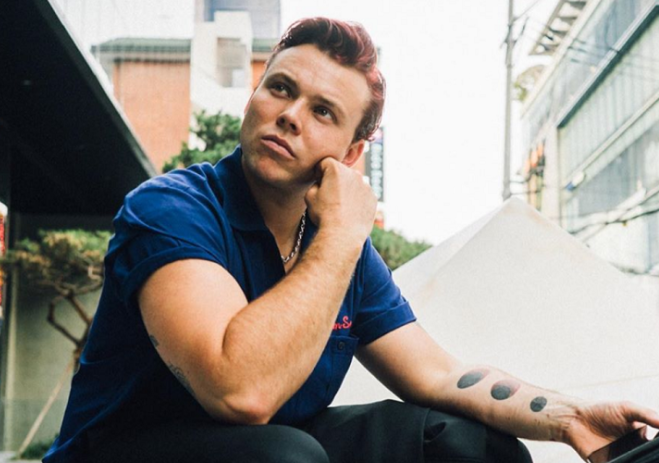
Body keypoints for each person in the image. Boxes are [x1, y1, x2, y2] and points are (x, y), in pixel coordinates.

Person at [43, 17, 659, 463]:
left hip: (276, 448)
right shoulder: (173, 208)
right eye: (280, 88)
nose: (290, 115)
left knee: (461, 442)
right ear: (255, 96)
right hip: (123, 450)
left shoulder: (340, 250)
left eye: (323, 112)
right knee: (285, 455)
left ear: (352, 152)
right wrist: (340, 234)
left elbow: (439, 375)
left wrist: (570, 417)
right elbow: (240, 393)